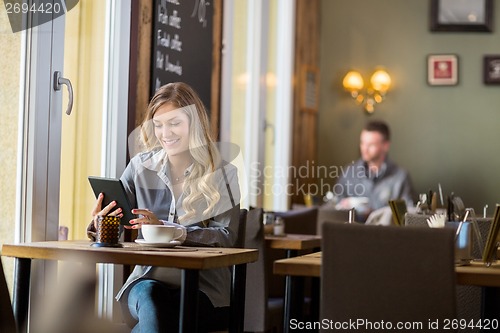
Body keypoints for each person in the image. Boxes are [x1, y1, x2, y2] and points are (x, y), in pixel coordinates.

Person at [87, 82, 240, 332]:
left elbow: (226, 238)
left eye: (174, 123)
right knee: (151, 299)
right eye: (158, 125)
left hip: (204, 290)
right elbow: (117, 221)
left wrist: (170, 231)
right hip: (146, 283)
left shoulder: (223, 174)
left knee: (161, 318)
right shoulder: (140, 168)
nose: (165, 133)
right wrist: (100, 222)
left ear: (194, 123)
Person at [334, 120, 414, 222]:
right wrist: (342, 204)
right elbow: (335, 204)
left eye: (371, 145)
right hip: (352, 234)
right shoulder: (349, 172)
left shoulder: (400, 177)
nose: (364, 149)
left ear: (385, 146)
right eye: (362, 143)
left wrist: (375, 213)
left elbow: (408, 215)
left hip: (385, 235)